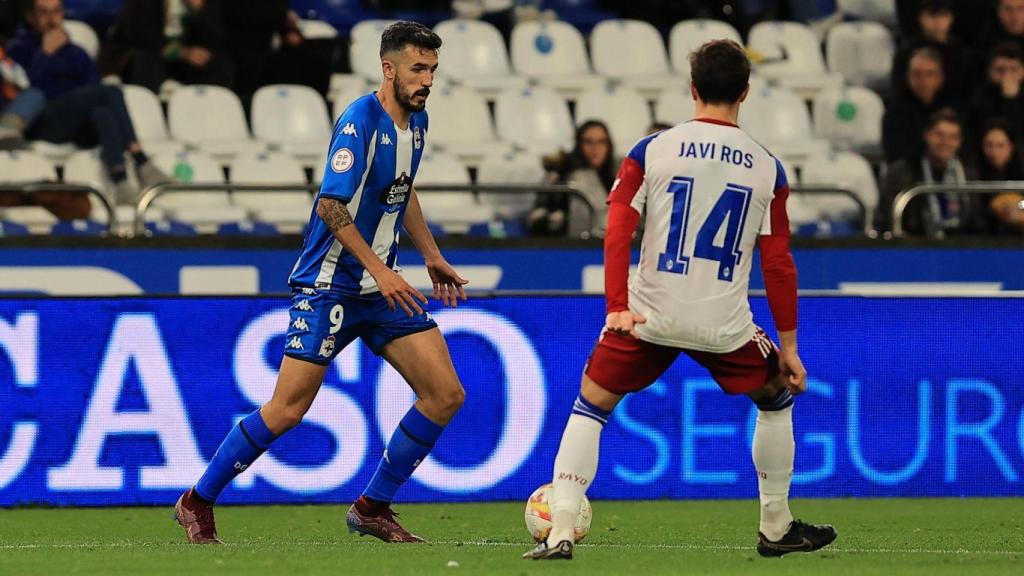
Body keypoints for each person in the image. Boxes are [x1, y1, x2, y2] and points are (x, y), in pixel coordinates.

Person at [523, 40, 836, 561]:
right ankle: (776, 526)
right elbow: (778, 264)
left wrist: (616, 308)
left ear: (692, 88)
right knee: (776, 399)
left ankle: (561, 530)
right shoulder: (768, 167)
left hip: (648, 314)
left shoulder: (652, 149)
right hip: (724, 324)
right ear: (746, 92)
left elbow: (618, 228)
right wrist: (789, 345)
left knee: (592, 404)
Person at [174, 21, 469, 545]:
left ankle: (371, 507)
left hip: (382, 293)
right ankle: (197, 500)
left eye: (432, 70)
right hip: (329, 286)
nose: (426, 80)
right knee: (287, 409)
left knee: (445, 394)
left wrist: (432, 256)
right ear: (389, 68)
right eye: (418, 69)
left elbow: (403, 191)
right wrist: (379, 268)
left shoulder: (417, 124)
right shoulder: (360, 120)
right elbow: (330, 204)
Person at [5, 0, 171, 204]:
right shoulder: (20, 47)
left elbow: (93, 85)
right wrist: (45, 54)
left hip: (75, 121)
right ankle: (141, 160)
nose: (51, 19)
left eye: (56, 11)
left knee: (103, 112)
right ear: (31, 16)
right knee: (110, 92)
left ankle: (121, 183)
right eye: (44, 13)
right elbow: (27, 89)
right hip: (43, 119)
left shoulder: (76, 52)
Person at [880, 108, 984, 237]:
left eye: (953, 137)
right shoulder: (902, 172)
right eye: (939, 135)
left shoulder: (969, 174)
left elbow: (977, 220)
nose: (945, 142)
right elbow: (887, 218)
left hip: (961, 246)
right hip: (916, 246)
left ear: (960, 142)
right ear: (926, 135)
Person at [98, 0, 233, 94]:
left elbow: (214, 38)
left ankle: (212, 115)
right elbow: (140, 34)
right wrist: (182, 52)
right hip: (141, 53)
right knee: (147, 62)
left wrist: (198, 10)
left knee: (218, 63)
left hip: (181, 59)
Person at [529, 120, 617, 238]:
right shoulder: (560, 174)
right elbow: (536, 217)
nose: (595, 148)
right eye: (588, 142)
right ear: (578, 144)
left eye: (601, 142)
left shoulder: (616, 176)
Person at [890, 0, 974, 106]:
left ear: (951, 18)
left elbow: (967, 91)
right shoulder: (906, 52)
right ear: (920, 18)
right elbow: (899, 90)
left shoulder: (961, 52)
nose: (937, 23)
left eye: (942, 16)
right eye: (931, 15)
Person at [882, 47, 956, 163]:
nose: (923, 80)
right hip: (912, 173)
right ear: (908, 77)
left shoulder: (954, 108)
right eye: (917, 74)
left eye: (929, 74)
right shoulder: (895, 113)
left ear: (940, 78)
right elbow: (895, 155)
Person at [976, 119, 1024, 233]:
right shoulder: (973, 173)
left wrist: (1019, 206)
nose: (994, 152)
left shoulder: (1020, 170)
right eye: (989, 145)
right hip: (986, 236)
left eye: (1000, 145)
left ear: (1011, 146)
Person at [969, 43, 1024, 140]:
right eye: (1000, 70)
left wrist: (1011, 100)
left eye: (1013, 70)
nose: (1006, 76)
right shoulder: (979, 97)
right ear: (989, 72)